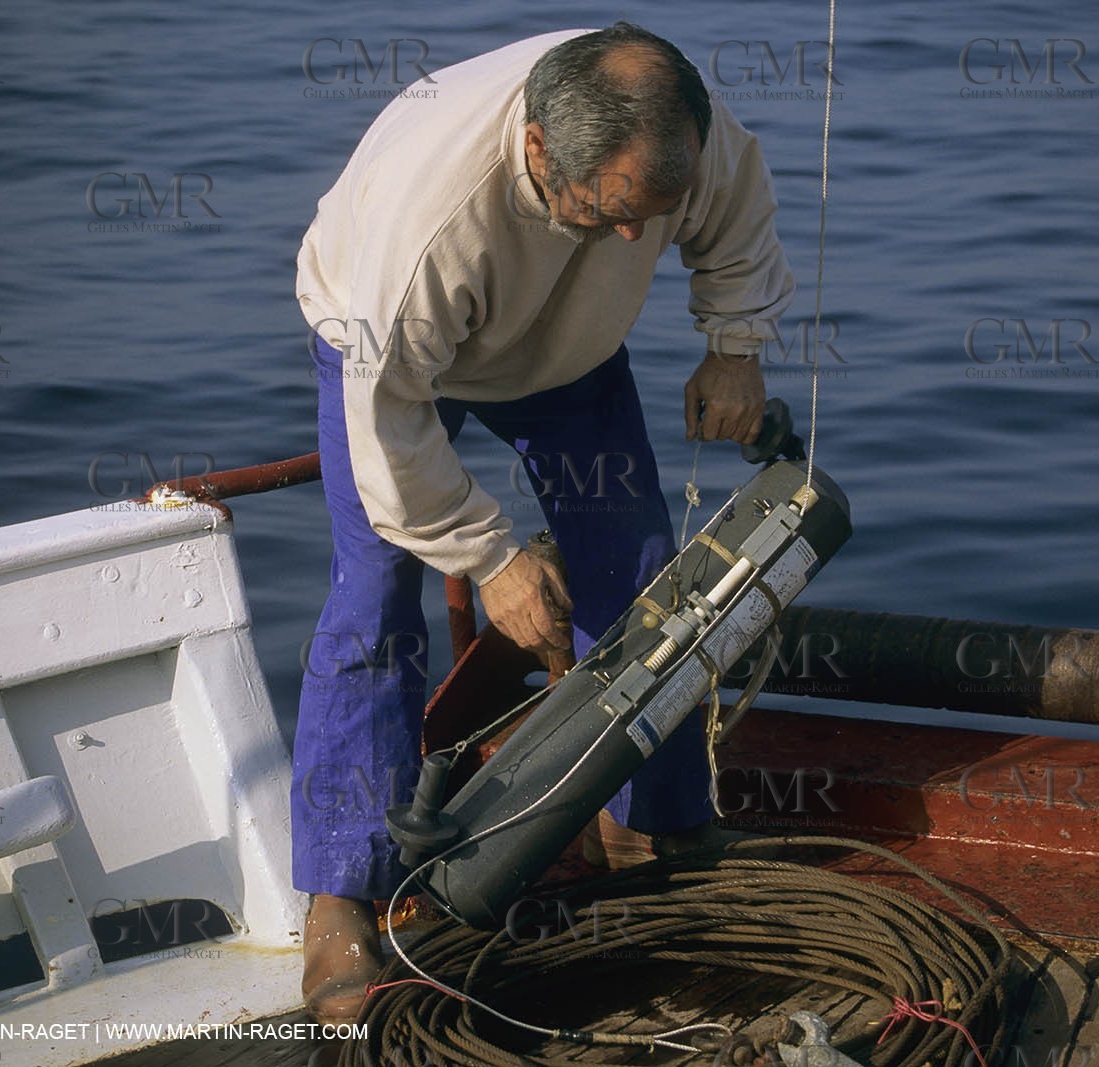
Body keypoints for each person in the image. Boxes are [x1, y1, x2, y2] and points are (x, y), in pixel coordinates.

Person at [291, 21, 795, 1022]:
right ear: (536, 150)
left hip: (568, 354)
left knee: (641, 571)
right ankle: (342, 889)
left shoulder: (677, 131)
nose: (633, 240)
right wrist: (491, 557)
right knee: (373, 600)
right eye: (608, 212)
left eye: (650, 216)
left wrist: (735, 345)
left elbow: (736, 211)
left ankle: (651, 821)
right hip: (389, 359)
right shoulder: (428, 223)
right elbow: (390, 432)